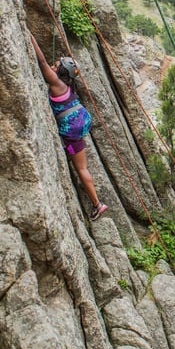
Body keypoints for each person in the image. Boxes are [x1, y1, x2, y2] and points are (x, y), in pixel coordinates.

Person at [30, 33, 108, 220]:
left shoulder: (56, 83)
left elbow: (40, 62)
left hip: (71, 129)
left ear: (60, 73)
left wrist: (30, 36)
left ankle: (97, 204)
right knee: (83, 165)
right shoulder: (68, 84)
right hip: (80, 120)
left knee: (80, 168)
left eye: (56, 66)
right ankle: (98, 203)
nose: (52, 66)